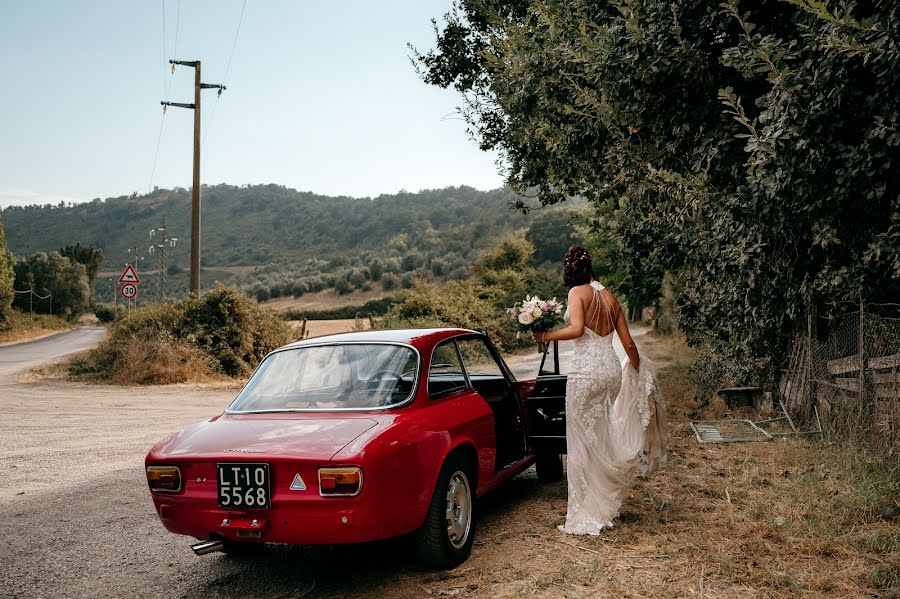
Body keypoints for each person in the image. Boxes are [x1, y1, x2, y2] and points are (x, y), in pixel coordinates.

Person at [533, 245, 667, 535]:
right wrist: (637, 369)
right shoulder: (610, 297)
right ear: (592, 267)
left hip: (585, 374)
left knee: (581, 443)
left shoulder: (577, 292)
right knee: (602, 436)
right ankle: (603, 503)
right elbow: (629, 345)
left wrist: (545, 335)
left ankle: (584, 514)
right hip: (610, 373)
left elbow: (577, 329)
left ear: (571, 271)